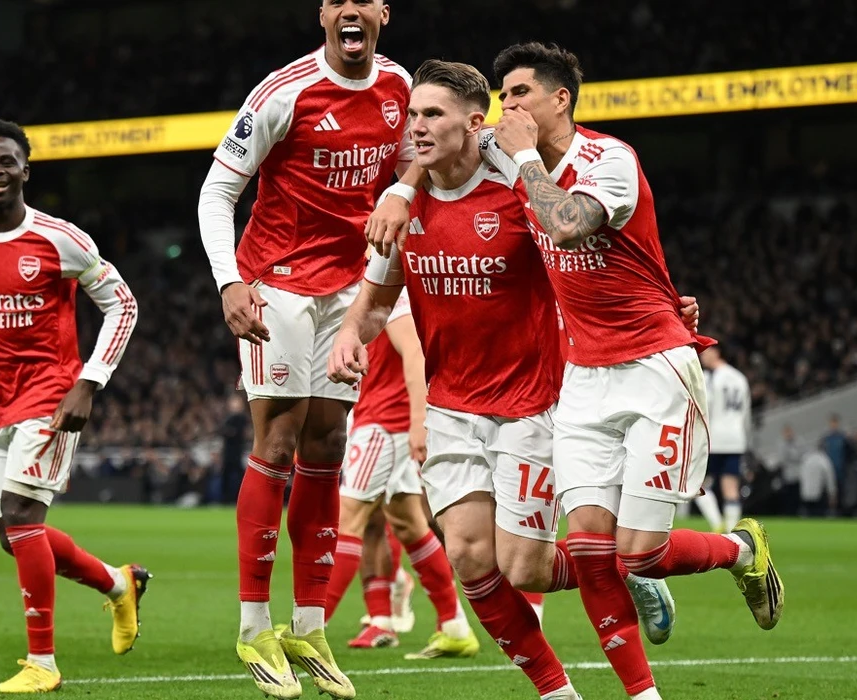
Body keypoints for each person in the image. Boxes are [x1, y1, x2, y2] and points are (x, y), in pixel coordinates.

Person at [333, 60, 687, 700]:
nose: (416, 126)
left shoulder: (519, 187)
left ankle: (623, 567)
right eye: (412, 114)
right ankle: (557, 692)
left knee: (525, 566)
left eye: (432, 114)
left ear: (476, 124)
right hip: (451, 405)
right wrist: (349, 332)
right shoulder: (401, 206)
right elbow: (378, 297)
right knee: (470, 558)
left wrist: (666, 305)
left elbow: (588, 261)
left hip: (531, 403)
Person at [476, 42, 783, 700]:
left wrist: (523, 158)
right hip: (582, 378)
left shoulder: (608, 159)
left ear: (560, 98)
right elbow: (437, 143)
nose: (509, 107)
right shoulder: (508, 154)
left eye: (521, 93)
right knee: (592, 550)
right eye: (503, 96)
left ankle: (740, 549)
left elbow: (565, 224)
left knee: (640, 552)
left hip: (653, 369)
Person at [196, 1, 414, 696]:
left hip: (350, 292)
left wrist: (401, 190)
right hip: (279, 283)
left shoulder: (400, 86)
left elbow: (414, 167)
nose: (350, 10)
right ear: (323, 14)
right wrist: (230, 281)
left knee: (328, 444)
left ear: (382, 13)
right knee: (280, 438)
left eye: (363, 0)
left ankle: (309, 623)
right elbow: (216, 193)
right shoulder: (283, 92)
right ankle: (253, 625)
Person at [0, 119, 148, 693]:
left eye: (6, 161)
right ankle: (119, 584)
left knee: (23, 517)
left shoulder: (61, 239)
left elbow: (123, 305)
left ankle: (43, 663)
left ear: (25, 170)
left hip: (51, 397)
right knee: (12, 534)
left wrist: (89, 382)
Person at [324, 288, 479, 658]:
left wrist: (417, 420)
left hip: (384, 422)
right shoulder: (373, 287)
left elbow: (413, 351)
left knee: (348, 519)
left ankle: (308, 627)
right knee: (410, 525)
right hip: (383, 419)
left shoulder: (391, 291)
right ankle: (455, 626)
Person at [696, 346, 751, 532]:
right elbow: (746, 412)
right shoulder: (740, 378)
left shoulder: (710, 377)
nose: (702, 356)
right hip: (736, 439)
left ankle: (717, 524)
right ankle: (732, 533)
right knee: (731, 488)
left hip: (714, 439)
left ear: (716, 352)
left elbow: (705, 406)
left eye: (705, 352)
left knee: (697, 484)